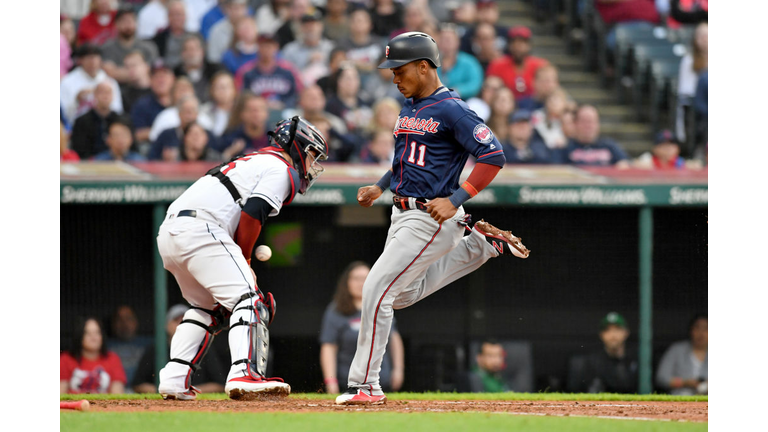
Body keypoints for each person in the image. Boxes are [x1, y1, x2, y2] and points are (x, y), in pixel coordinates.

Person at [335, 32, 530, 406]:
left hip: (430, 215)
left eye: (400, 69)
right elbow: (406, 162)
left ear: (424, 67)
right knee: (399, 295)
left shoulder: (453, 108)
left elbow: (493, 156)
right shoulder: (409, 107)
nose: (394, 77)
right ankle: (480, 246)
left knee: (375, 289)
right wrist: (379, 186)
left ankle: (365, 385)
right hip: (400, 211)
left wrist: (456, 199)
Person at [155, 116, 329, 400]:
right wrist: (245, 261)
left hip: (171, 231)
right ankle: (244, 374)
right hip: (203, 229)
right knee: (252, 300)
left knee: (208, 307)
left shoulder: (255, 160)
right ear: (297, 147)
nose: (313, 164)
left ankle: (174, 379)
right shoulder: (280, 168)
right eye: (312, 154)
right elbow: (252, 213)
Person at [320, 262, 405, 394]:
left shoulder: (380, 306)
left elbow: (394, 339)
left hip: (381, 380)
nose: (361, 283)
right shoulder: (336, 310)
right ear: (347, 282)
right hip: (347, 381)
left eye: (366, 278)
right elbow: (329, 347)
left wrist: (398, 369)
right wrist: (330, 381)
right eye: (356, 278)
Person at [132, 304, 226, 394]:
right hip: (164, 402)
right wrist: (166, 391)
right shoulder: (155, 349)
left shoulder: (204, 349)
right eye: (176, 320)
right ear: (166, 325)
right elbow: (138, 384)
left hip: (195, 403)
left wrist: (188, 392)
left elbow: (220, 384)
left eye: (185, 321)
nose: (181, 325)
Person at [566, 312, 639, 394]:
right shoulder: (592, 362)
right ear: (601, 334)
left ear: (626, 333)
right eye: (607, 330)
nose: (613, 335)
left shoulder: (636, 361)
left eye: (617, 329)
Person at [60, 44, 124, 125]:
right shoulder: (67, 82)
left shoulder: (110, 82)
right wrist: (77, 100)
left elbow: (117, 110)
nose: (92, 62)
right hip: (77, 127)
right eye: (88, 58)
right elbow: (63, 115)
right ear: (80, 60)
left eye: (95, 57)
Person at [61, 316, 127, 394]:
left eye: (97, 332)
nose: (93, 337)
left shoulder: (113, 359)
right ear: (79, 336)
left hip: (105, 406)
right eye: (88, 333)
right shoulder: (66, 359)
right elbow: (60, 395)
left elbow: (117, 395)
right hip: (76, 406)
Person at [239, 33, 303, 111]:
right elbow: (243, 97)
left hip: (284, 113)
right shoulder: (247, 71)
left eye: (270, 46)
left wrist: (284, 104)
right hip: (256, 113)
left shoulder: (288, 70)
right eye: (263, 45)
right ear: (258, 47)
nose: (267, 49)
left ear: (276, 47)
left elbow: (297, 94)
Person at [486, 26, 548, 101]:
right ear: (509, 45)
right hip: (504, 106)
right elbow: (489, 91)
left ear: (529, 45)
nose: (518, 47)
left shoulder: (540, 65)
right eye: (514, 42)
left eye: (522, 43)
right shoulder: (497, 64)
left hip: (535, 106)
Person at [101, 7, 160, 84]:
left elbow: (155, 73)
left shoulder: (149, 47)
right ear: (116, 24)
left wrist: (119, 72)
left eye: (131, 20)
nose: (128, 24)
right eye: (124, 20)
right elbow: (109, 73)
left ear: (137, 23)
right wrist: (139, 72)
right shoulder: (107, 48)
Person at [560, 105, 630, 168]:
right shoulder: (565, 147)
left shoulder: (609, 146)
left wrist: (623, 165)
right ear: (575, 123)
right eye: (584, 121)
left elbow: (626, 163)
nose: (588, 126)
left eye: (592, 121)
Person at [655, 314, 708, 395]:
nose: (701, 333)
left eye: (706, 329)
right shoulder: (676, 350)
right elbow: (662, 378)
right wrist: (685, 383)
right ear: (691, 330)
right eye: (697, 328)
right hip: (680, 399)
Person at [281, 10, 335, 86]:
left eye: (313, 24)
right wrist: (307, 62)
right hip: (300, 91)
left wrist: (325, 61)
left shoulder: (330, 48)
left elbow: (337, 73)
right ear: (301, 28)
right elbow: (284, 76)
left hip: (327, 90)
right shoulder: (290, 50)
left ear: (321, 26)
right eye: (306, 25)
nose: (310, 28)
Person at [70, 81, 120, 160]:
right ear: (94, 95)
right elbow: (78, 150)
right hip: (90, 162)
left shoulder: (120, 120)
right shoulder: (82, 121)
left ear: (113, 96)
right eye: (102, 92)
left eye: (108, 93)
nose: (105, 96)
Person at [105, 305, 153, 387]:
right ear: (113, 323)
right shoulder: (105, 345)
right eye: (119, 320)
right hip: (114, 390)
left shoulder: (150, 344)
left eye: (128, 318)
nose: (124, 323)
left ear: (136, 322)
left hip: (141, 390)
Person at [131, 60, 176, 145]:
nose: (161, 80)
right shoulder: (142, 105)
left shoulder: (180, 102)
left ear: (173, 78)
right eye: (156, 76)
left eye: (164, 76)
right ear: (150, 80)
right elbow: (137, 135)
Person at [676, 22, 707, 141]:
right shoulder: (689, 60)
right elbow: (686, 91)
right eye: (701, 35)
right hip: (698, 106)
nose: (705, 39)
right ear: (695, 39)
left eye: (707, 35)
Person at [336, 8, 386, 83]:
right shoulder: (342, 44)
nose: (358, 24)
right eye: (354, 21)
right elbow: (339, 64)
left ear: (370, 24)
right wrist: (367, 66)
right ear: (349, 24)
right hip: (350, 81)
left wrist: (355, 63)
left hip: (376, 82)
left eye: (361, 21)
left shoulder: (379, 44)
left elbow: (385, 66)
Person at [436, 23, 484, 100]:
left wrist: (457, 90)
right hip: (437, 101)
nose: (445, 43)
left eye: (448, 40)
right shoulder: (431, 62)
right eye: (442, 39)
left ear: (457, 42)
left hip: (464, 101)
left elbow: (475, 84)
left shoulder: (470, 62)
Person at [217, 92, 273, 158]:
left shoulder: (276, 139)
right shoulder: (230, 139)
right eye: (251, 110)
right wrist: (229, 153)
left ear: (267, 114)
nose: (256, 115)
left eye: (261, 110)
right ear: (242, 114)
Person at [174, 34, 223, 104]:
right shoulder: (176, 73)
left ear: (202, 52)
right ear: (182, 53)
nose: (191, 53)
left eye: (195, 49)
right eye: (187, 50)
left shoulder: (215, 70)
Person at [152, 0, 195, 69]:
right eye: (173, 14)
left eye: (179, 14)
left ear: (185, 16)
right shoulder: (159, 39)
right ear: (168, 17)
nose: (176, 18)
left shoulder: (194, 37)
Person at [199, 70, 237, 137]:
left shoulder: (240, 111)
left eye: (227, 86)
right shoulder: (203, 111)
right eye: (219, 87)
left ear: (234, 90)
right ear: (212, 90)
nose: (223, 90)